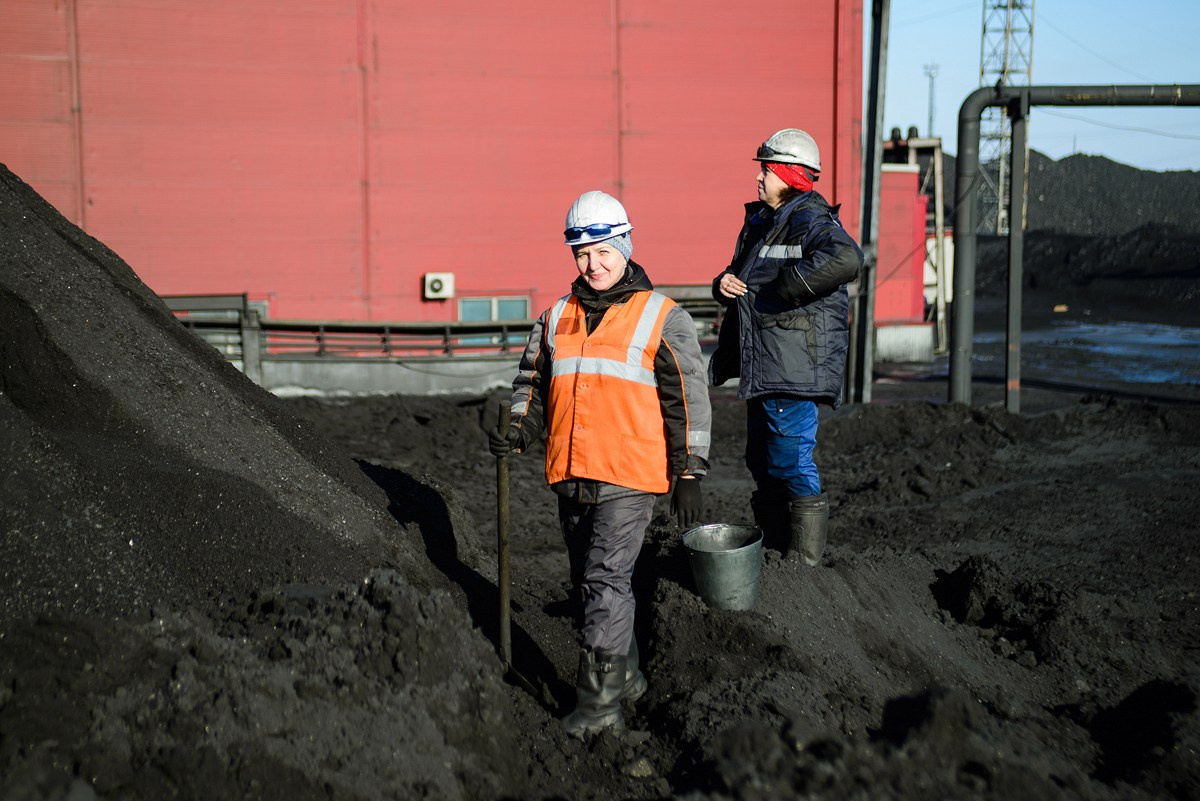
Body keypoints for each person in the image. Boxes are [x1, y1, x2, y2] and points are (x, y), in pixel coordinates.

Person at [489, 190, 712, 738]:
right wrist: (515, 430)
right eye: (582, 254)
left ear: (625, 246)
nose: (592, 264)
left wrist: (689, 471)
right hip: (571, 475)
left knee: (605, 581)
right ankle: (626, 678)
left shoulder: (662, 317)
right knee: (589, 584)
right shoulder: (555, 317)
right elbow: (531, 385)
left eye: (603, 252)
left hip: (629, 475)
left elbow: (688, 399)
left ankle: (599, 705)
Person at [708, 128, 863, 567]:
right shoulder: (762, 222)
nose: (759, 178)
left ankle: (803, 566)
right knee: (762, 461)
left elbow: (848, 258)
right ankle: (778, 559)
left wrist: (788, 287)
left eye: (767, 170)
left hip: (792, 368)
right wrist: (722, 284)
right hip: (765, 365)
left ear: (790, 175)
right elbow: (741, 277)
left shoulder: (809, 219)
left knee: (791, 460)